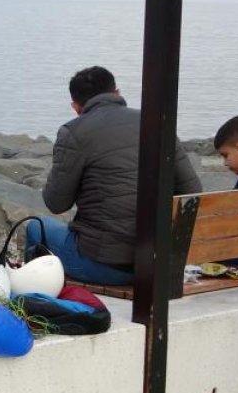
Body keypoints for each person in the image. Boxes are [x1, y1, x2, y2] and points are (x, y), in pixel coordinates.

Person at [29, 67, 202, 285]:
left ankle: (39, 303)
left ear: (75, 107)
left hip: (105, 266)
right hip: (158, 263)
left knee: (36, 227)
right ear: (117, 93)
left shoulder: (73, 132)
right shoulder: (157, 122)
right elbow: (193, 191)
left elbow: (56, 203)